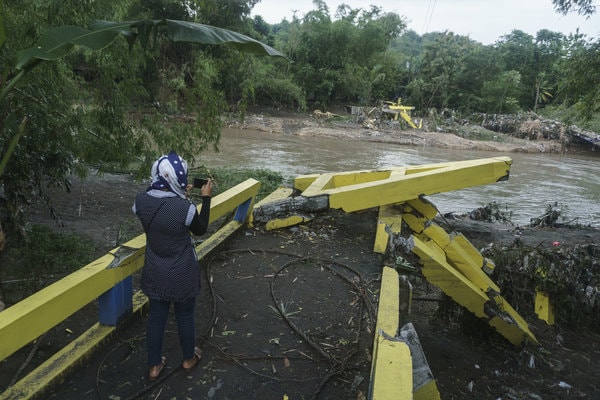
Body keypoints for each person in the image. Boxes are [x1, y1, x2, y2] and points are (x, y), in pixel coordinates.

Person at [132, 150, 213, 381]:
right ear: (177, 178)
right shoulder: (184, 209)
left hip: (155, 269)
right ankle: (189, 359)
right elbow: (200, 228)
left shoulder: (140, 203)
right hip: (182, 273)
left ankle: (154, 366)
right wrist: (205, 198)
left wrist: (178, 193)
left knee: (156, 318)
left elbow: (162, 213)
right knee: (185, 316)